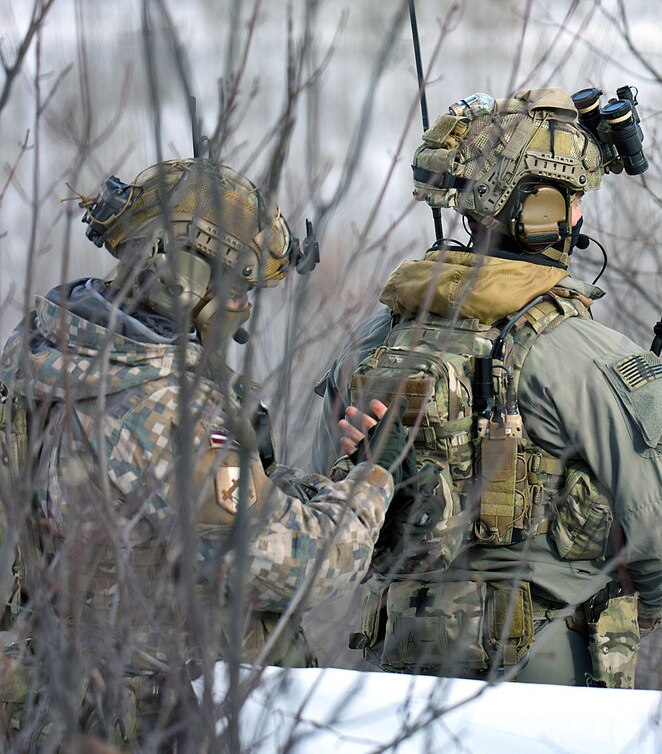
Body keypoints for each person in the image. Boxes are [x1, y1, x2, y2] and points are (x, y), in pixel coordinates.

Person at [312, 87, 662, 688]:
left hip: (398, 666)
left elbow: (324, 491)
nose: (579, 217)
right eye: (571, 199)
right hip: (543, 672)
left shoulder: (380, 337)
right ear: (545, 211)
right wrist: (625, 614)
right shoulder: (593, 357)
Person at [0, 158, 397, 747]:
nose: (242, 308)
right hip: (148, 723)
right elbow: (294, 567)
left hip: (54, 706)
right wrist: (369, 483)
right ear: (182, 274)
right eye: (237, 287)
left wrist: (308, 487)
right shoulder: (165, 407)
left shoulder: (47, 354)